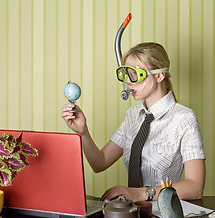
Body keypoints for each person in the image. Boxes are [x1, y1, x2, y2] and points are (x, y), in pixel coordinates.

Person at [61, 42, 205, 202]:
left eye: (135, 74)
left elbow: (195, 187)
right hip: (131, 214)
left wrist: (141, 193)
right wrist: (83, 132)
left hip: (164, 217)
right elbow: (99, 163)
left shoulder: (184, 118)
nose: (129, 82)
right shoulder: (132, 115)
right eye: (125, 74)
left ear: (159, 75)